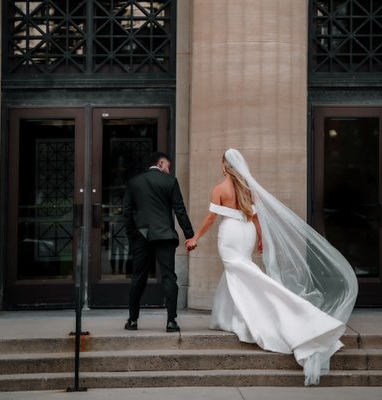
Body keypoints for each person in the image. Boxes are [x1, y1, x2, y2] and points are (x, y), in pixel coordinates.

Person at [185, 149, 358, 385]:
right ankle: (227, 318)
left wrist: (195, 237)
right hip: (246, 232)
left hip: (230, 235)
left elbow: (211, 218)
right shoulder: (247, 189)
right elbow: (256, 218)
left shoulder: (219, 189)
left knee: (243, 274)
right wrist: (260, 238)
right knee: (240, 272)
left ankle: (271, 313)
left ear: (225, 166)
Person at [123, 151, 195, 333]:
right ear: (161, 163)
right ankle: (171, 321)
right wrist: (189, 235)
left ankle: (132, 320)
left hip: (142, 235)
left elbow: (126, 212)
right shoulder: (170, 182)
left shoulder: (134, 182)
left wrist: (133, 234)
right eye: (168, 166)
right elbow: (180, 210)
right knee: (169, 277)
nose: (169, 170)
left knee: (138, 277)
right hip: (165, 236)